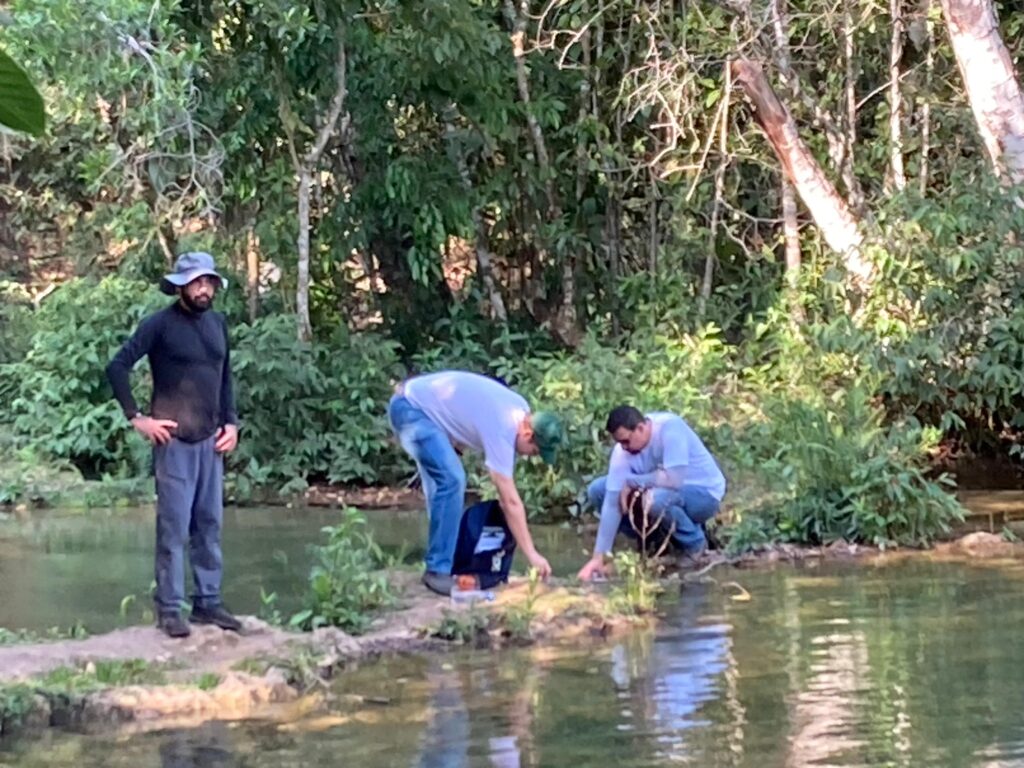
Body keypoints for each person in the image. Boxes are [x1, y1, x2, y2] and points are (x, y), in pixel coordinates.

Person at [106, 251, 241, 638]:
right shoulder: (160, 325)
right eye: (196, 282)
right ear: (181, 286)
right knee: (173, 528)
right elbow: (117, 367)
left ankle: (207, 603)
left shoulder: (217, 324)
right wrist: (138, 418)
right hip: (174, 442)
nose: (203, 289)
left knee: (209, 525)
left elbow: (225, 377)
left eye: (208, 282)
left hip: (211, 441)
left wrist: (231, 423)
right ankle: (169, 609)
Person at [388, 370, 564, 595]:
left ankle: (445, 563)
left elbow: (469, 411)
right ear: (528, 434)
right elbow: (510, 502)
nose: (532, 456)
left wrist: (456, 446)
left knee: (442, 489)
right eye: (535, 451)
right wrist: (532, 555)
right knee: (452, 480)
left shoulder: (520, 409)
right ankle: (437, 570)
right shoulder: (504, 428)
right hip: (411, 410)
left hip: (421, 408)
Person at [577, 405, 726, 582]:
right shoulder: (623, 451)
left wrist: (633, 481)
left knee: (655, 499)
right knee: (598, 490)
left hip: (703, 494)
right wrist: (599, 557)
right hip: (662, 491)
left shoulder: (670, 429)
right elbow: (611, 503)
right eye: (619, 443)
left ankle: (694, 544)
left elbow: (674, 480)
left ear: (640, 428)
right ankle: (653, 540)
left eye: (626, 441)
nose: (623, 447)